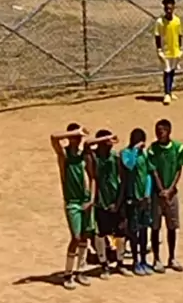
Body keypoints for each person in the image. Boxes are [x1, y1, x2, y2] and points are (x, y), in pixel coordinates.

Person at [50, 122, 96, 290]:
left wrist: (91, 199)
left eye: (78, 137)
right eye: (74, 136)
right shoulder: (64, 155)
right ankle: (68, 273)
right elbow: (54, 137)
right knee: (75, 237)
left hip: (85, 200)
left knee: (85, 236)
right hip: (72, 202)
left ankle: (80, 271)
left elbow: (92, 177)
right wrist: (74, 132)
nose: (77, 139)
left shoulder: (84, 156)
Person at [92, 129, 133, 279]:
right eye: (107, 142)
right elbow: (87, 146)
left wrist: (118, 202)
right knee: (101, 233)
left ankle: (120, 263)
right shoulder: (93, 157)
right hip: (100, 202)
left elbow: (123, 181)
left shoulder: (115, 157)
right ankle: (104, 265)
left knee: (121, 233)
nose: (110, 145)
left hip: (116, 200)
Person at [148, 119, 183, 274]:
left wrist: (170, 189)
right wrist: (161, 189)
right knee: (155, 227)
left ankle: (172, 257)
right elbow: (154, 171)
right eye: (157, 131)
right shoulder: (152, 149)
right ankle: (157, 259)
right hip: (157, 195)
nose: (158, 133)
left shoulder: (178, 148)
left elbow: (178, 169)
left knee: (172, 227)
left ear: (169, 131)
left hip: (171, 194)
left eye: (161, 131)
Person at [120, 128, 153, 276]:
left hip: (143, 199)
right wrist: (134, 150)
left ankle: (144, 260)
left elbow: (148, 174)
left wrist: (147, 193)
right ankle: (135, 261)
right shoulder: (125, 153)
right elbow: (130, 165)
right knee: (133, 231)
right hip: (132, 198)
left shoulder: (144, 155)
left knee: (144, 230)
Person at [154, 0, 183, 106]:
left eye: (170, 8)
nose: (169, 11)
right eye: (167, 9)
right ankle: (166, 94)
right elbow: (157, 36)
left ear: (174, 8)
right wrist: (159, 49)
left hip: (175, 50)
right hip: (165, 51)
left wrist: (180, 48)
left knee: (172, 71)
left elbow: (179, 35)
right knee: (167, 71)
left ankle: (170, 92)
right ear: (164, 9)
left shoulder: (177, 20)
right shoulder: (160, 22)